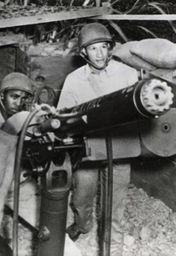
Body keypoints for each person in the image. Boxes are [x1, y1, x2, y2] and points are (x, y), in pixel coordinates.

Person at [0, 72, 82, 256]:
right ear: (1, 97)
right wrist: (3, 154)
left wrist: (50, 125)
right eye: (14, 97)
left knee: (51, 225)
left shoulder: (31, 119)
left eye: (24, 98)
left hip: (20, 183)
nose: (19, 103)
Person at [57, 23, 139, 253]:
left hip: (120, 147)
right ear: (84, 53)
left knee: (115, 205)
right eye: (93, 49)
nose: (100, 54)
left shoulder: (128, 74)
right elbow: (64, 117)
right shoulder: (74, 80)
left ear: (110, 48)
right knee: (82, 197)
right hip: (88, 148)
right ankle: (83, 225)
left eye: (104, 47)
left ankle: (112, 249)